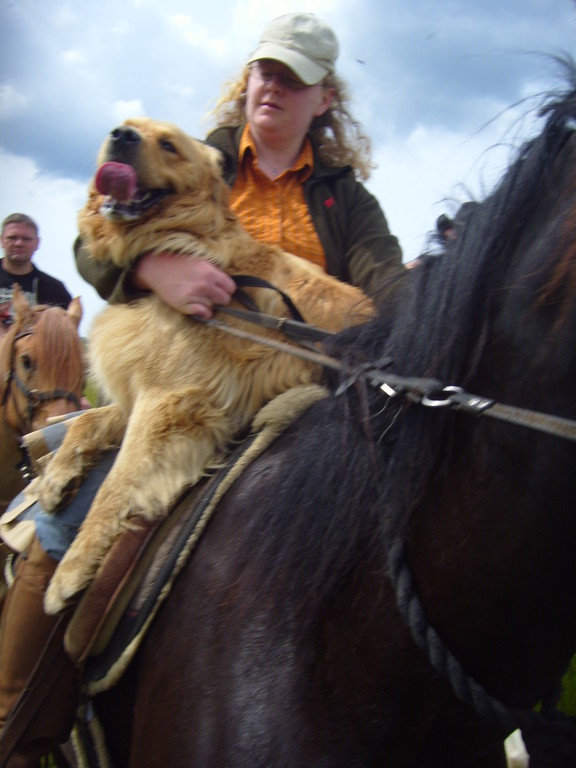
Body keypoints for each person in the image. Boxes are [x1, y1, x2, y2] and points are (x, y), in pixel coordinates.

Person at [0, 13, 403, 764]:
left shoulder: (349, 201)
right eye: (265, 72)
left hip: (294, 397)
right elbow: (93, 241)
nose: (273, 87)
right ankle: (18, 731)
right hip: (174, 378)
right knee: (56, 523)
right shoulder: (191, 153)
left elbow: (387, 295)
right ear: (247, 79)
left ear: (324, 98)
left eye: (294, 79)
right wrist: (153, 267)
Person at [0, 214, 73, 325]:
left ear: (37, 243)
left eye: (26, 239)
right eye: (12, 237)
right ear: (2, 240)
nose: (19, 243)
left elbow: (67, 330)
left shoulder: (55, 290)